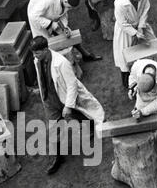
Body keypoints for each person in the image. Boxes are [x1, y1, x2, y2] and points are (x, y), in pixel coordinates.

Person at [30, 36, 105, 175]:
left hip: (63, 97)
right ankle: (58, 158)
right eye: (34, 53)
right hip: (49, 100)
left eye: (37, 53)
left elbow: (72, 85)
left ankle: (88, 124)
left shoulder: (61, 63)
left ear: (46, 49)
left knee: (76, 114)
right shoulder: (37, 60)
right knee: (53, 128)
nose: (35, 56)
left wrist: (68, 106)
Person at [27, 0, 102, 61]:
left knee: (69, 35)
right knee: (43, 43)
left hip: (50, 11)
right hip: (36, 14)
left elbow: (63, 14)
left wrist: (64, 27)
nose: (68, 9)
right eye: (69, 7)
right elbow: (33, 16)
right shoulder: (47, 0)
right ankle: (50, 65)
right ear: (65, 1)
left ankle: (86, 56)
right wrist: (51, 24)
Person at [128, 59, 157, 162]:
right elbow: (132, 77)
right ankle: (145, 157)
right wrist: (131, 88)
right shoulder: (137, 66)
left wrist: (143, 112)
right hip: (142, 100)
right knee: (140, 130)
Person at [113, 0, 155, 88]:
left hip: (141, 24)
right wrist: (135, 33)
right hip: (126, 30)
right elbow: (122, 23)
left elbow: (145, 9)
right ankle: (126, 79)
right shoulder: (119, 3)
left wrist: (141, 27)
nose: (139, 1)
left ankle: (155, 68)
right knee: (124, 56)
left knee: (152, 45)